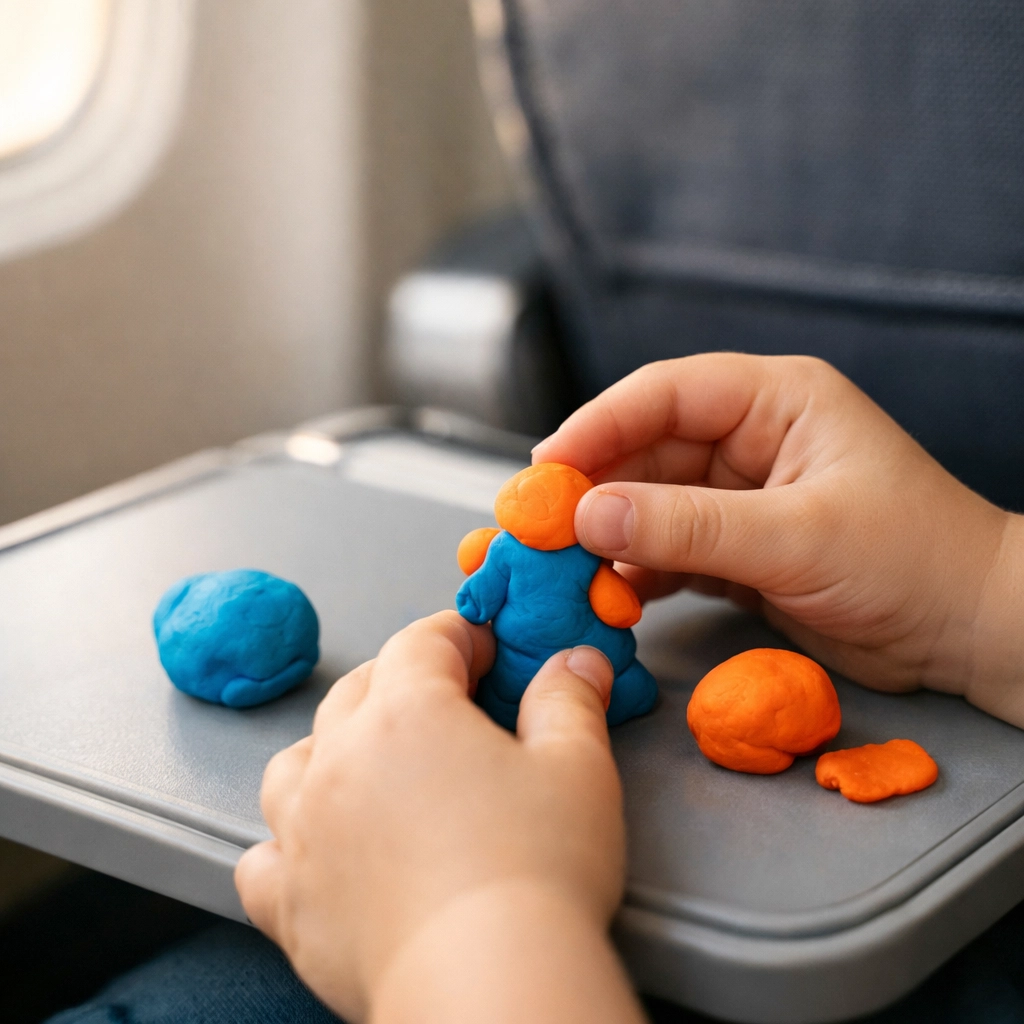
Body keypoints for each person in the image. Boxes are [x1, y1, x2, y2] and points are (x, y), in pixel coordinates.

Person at [54, 354, 1024, 1023]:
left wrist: (460, 923)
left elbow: (603, 598)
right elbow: (492, 584)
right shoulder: (514, 555)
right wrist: (978, 597)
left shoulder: (561, 560)